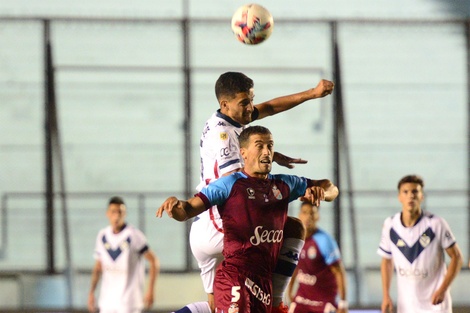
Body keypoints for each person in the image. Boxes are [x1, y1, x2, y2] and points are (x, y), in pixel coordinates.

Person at [180, 71, 334, 313]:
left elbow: (270, 107)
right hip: (222, 226)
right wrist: (268, 160)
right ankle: (276, 303)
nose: (251, 107)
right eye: (245, 102)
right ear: (225, 104)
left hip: (203, 229)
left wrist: (312, 93)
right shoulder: (223, 137)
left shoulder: (229, 119)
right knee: (292, 228)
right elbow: (242, 182)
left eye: (252, 99)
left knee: (216, 306)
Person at [157, 125, 339, 313]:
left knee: (295, 226)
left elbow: (331, 188)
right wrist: (175, 205)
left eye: (270, 146)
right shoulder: (230, 184)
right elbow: (187, 209)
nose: (266, 151)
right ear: (243, 153)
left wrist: (321, 193)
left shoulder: (284, 184)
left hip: (264, 282)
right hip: (235, 275)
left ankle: (276, 300)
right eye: (259, 146)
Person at [377, 175, 463, 313]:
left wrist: (443, 289)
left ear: (421, 196)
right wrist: (386, 295)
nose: (410, 196)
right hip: (407, 306)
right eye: (405, 192)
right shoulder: (390, 225)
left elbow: (457, 257)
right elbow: (386, 260)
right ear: (399, 197)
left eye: (415, 192)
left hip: (436, 306)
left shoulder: (436, 224)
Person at [88, 196, 160, 313]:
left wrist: (151, 290)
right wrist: (91, 292)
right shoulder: (102, 236)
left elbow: (153, 261)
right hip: (107, 301)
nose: (116, 216)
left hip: (129, 302)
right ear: (107, 214)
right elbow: (98, 267)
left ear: (125, 214)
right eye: (113, 212)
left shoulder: (133, 235)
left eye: (120, 212)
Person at [287, 202, 348, 313]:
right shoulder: (295, 239)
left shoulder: (324, 240)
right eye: (305, 212)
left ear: (317, 217)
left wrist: (343, 303)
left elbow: (339, 272)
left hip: (323, 302)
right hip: (302, 300)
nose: (308, 217)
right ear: (299, 215)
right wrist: (289, 290)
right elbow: (294, 265)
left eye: (312, 213)